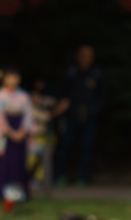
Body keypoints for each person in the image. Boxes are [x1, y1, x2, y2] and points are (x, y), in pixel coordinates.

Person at [53, 43, 108, 186]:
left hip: (89, 118)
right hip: (70, 117)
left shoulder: (97, 73)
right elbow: (60, 92)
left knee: (86, 147)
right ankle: (60, 176)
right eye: (83, 54)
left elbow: (103, 96)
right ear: (77, 56)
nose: (86, 58)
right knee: (64, 146)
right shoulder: (70, 72)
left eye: (89, 55)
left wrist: (94, 109)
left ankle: (82, 178)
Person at [0, 67, 33, 201]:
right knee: (4, 163)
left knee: (19, 163)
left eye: (15, 77)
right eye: (10, 77)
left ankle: (20, 194)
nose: (13, 80)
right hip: (5, 133)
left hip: (20, 129)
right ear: (4, 79)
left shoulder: (24, 95)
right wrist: (11, 132)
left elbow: (28, 115)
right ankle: (2, 194)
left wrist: (22, 131)